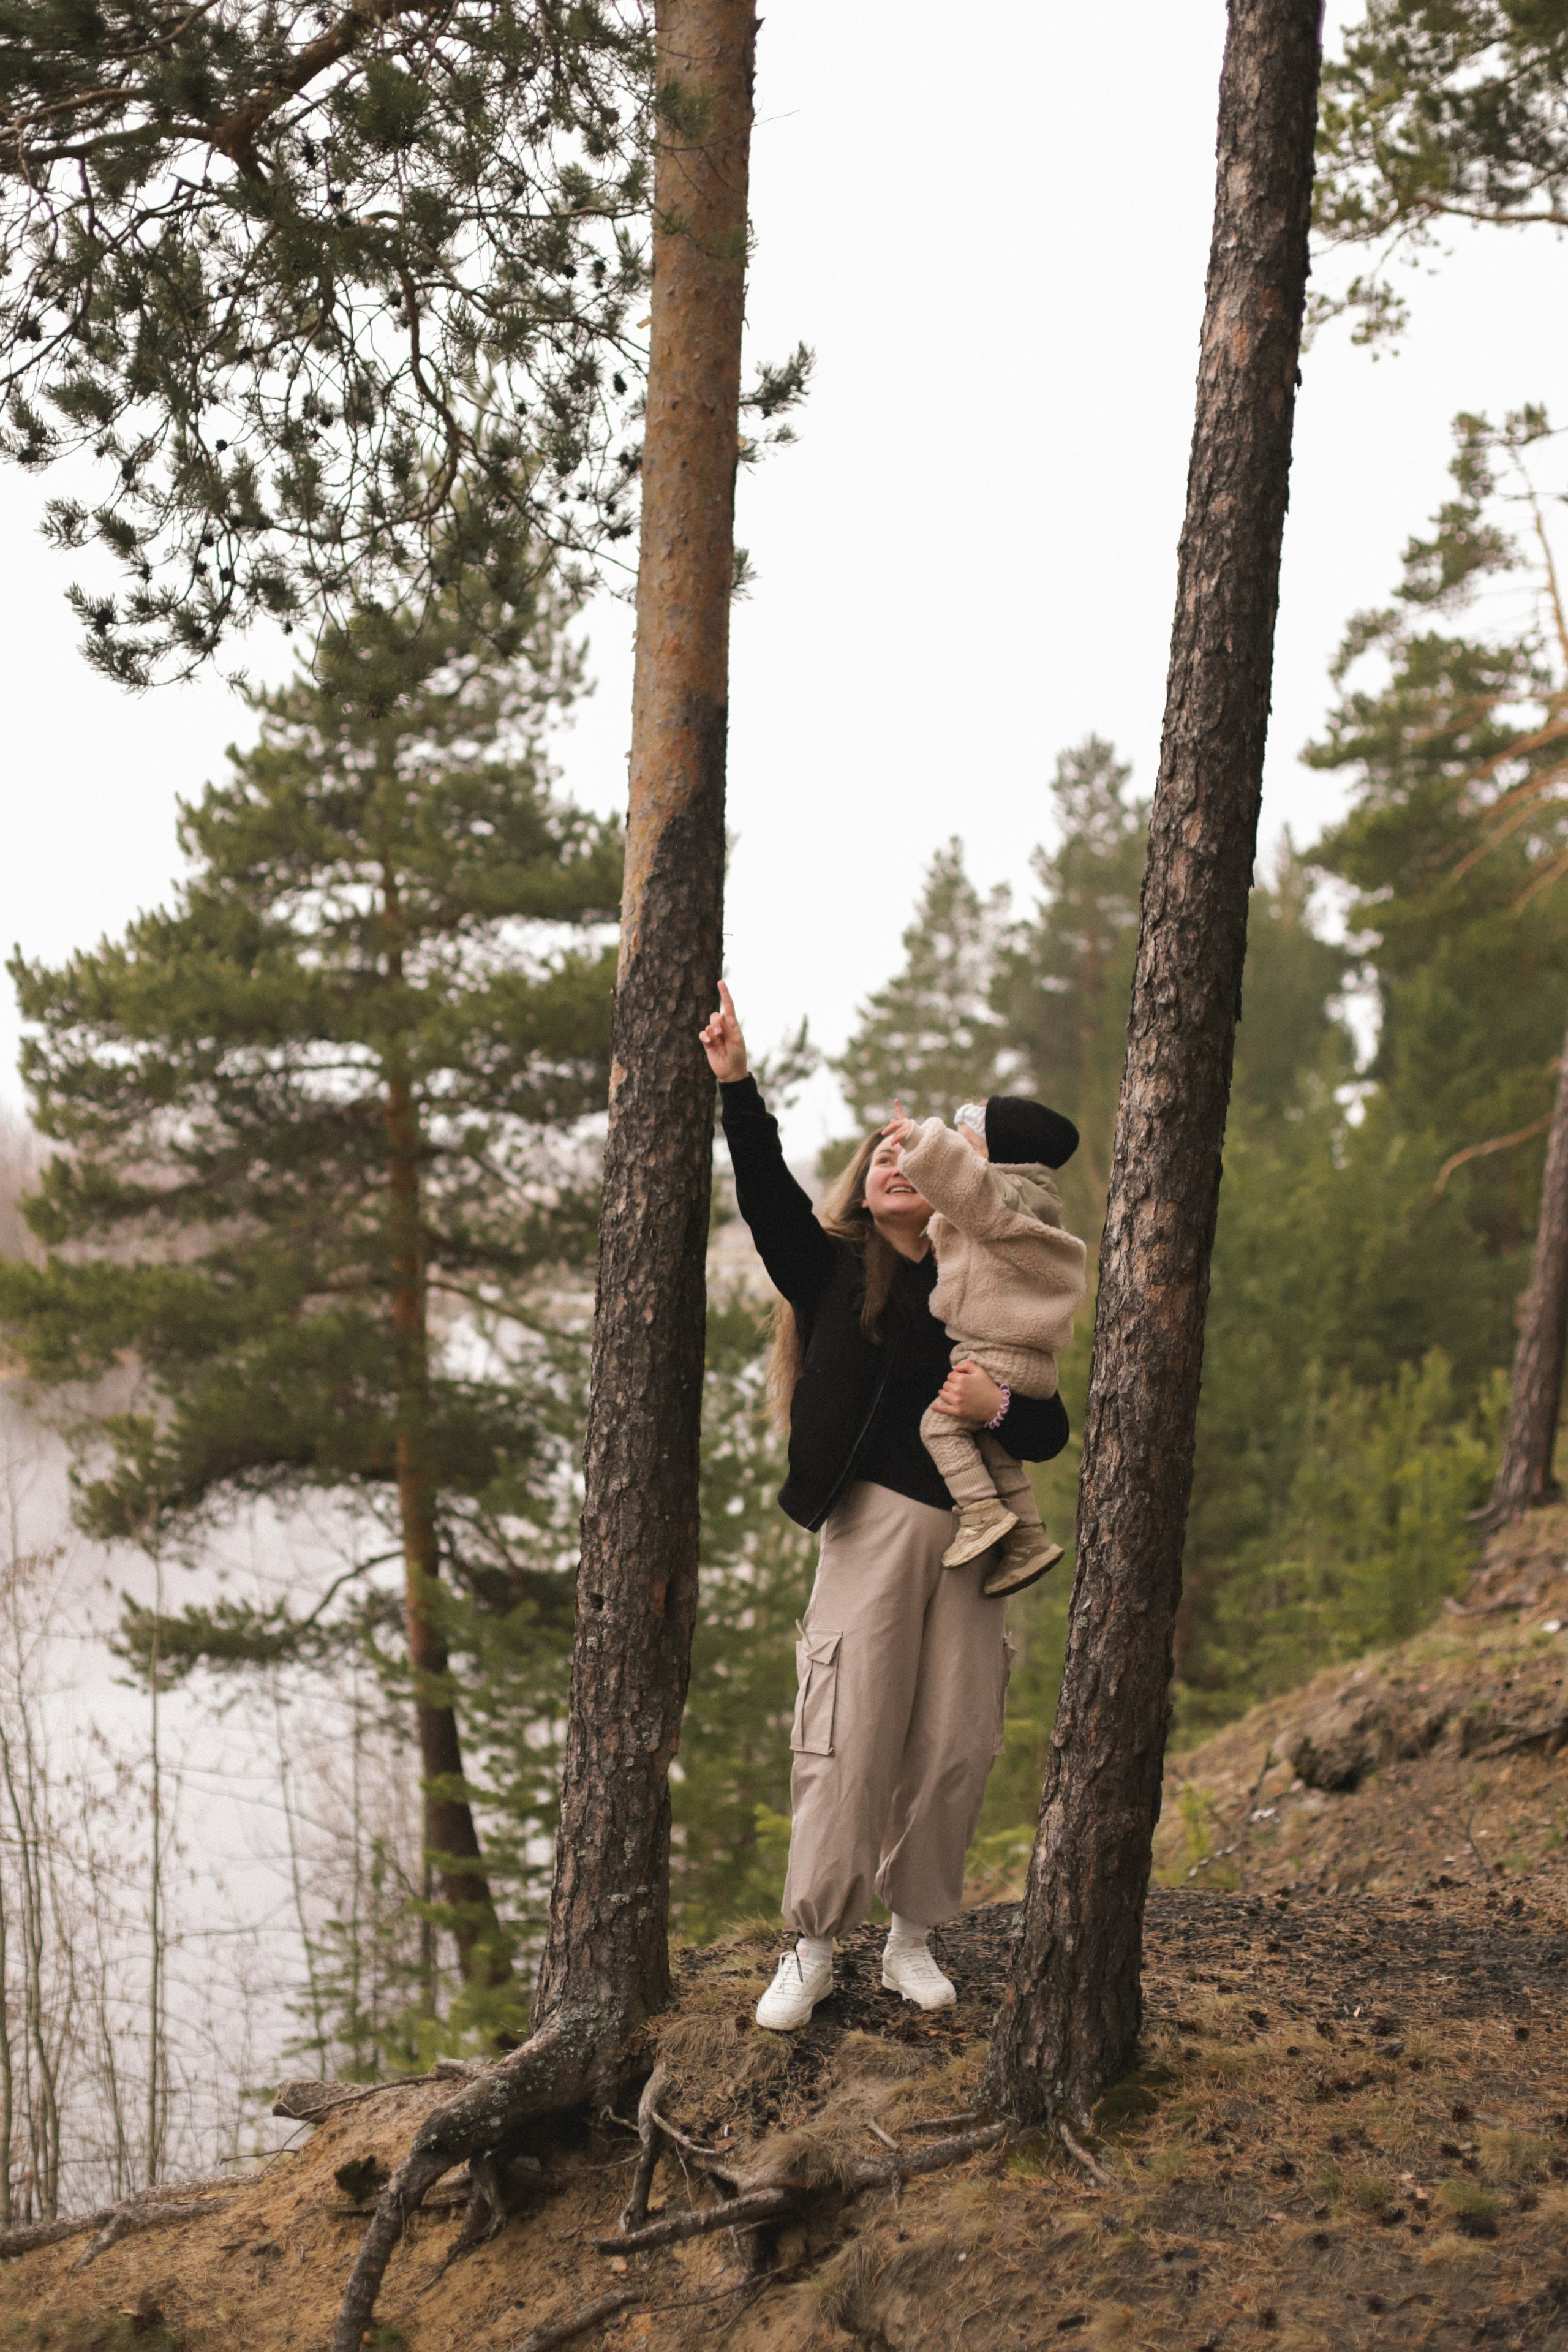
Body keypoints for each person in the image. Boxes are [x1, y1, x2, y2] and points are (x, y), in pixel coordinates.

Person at [698, 983, 1071, 2034]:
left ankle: (911, 1939)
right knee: (848, 1734)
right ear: (863, 1190)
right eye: (881, 1159)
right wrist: (737, 1084)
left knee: (957, 1741)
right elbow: (767, 1194)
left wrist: (999, 1407)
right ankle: (813, 1948)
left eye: (913, 1155)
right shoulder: (829, 1271)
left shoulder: (981, 1281)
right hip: (873, 1529)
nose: (896, 1165)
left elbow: (1046, 1427)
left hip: (978, 1543)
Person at [889, 1098, 1086, 1599]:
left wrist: (919, 1138)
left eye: (967, 1145)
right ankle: (1028, 1540)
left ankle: (981, 1513)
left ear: (997, 1155)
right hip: (1027, 1359)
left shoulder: (1002, 1197)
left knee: (939, 1427)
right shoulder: (1032, 1201)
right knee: (995, 1453)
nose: (959, 1155)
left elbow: (965, 1187)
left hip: (999, 1352)